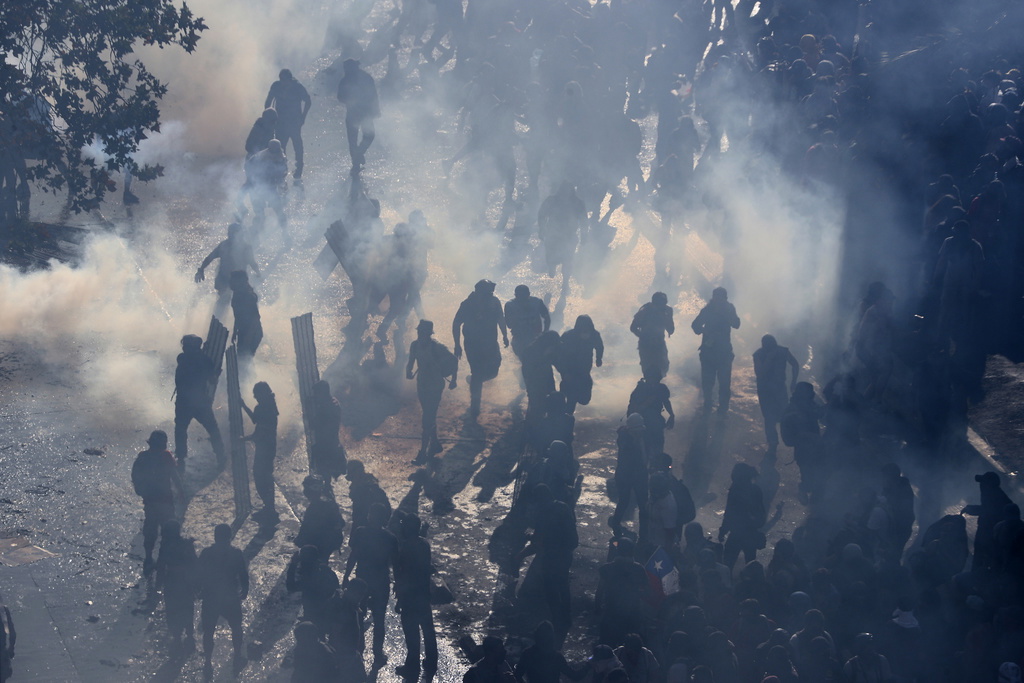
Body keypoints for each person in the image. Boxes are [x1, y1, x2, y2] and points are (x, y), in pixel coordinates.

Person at [518, 484, 578, 645]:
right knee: (563, 585)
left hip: (552, 556)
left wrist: (521, 554)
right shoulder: (564, 506)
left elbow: (538, 542)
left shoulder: (544, 514)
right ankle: (566, 618)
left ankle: (556, 622)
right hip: (567, 554)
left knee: (551, 589)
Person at [343, 503, 398, 668]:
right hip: (381, 582)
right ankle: (377, 653)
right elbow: (395, 564)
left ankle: (358, 649)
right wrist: (399, 585)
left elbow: (354, 555)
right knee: (379, 619)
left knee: (358, 615)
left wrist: (346, 575)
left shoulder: (361, 532)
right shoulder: (390, 538)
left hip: (363, 580)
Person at [198, 523, 249, 678]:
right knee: (236, 627)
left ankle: (207, 661)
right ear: (229, 536)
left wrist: (198, 590)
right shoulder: (236, 553)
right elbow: (243, 574)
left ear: (215, 536)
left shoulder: (206, 553)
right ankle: (237, 655)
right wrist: (245, 590)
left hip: (210, 596)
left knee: (208, 630)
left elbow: (198, 573)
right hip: (230, 596)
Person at [452, 279, 508, 417]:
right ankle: (475, 405)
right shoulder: (467, 304)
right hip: (473, 344)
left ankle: (474, 381)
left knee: (494, 370)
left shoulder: (495, 302)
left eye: (491, 292)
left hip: (490, 343)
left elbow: (501, 319)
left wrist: (505, 335)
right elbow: (456, 323)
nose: (490, 294)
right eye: (487, 292)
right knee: (477, 372)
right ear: (479, 292)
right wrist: (457, 345)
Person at [406, 320, 458, 464]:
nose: (420, 335)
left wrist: (454, 380)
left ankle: (423, 453)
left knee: (427, 419)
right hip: (422, 385)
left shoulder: (437, 347)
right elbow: (410, 362)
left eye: (423, 332)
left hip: (435, 386)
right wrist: (408, 371)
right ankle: (435, 444)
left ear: (429, 334)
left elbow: (454, 361)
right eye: (419, 332)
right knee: (429, 416)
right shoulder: (414, 345)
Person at [131, 430, 183, 574]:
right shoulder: (166, 457)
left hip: (150, 501)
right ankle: (163, 561)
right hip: (165, 501)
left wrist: (140, 490)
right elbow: (175, 476)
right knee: (168, 531)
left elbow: (135, 474)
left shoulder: (142, 457)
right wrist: (180, 492)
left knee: (150, 530)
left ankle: (148, 559)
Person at [394, 514, 438, 678]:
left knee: (411, 633)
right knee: (428, 630)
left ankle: (412, 666)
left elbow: (405, 575)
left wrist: (400, 598)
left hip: (411, 597)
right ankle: (431, 661)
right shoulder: (424, 544)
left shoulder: (406, 547)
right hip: (423, 594)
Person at [174, 334, 225, 470]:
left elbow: (191, 359)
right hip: (200, 402)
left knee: (180, 430)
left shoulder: (182, 358)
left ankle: (181, 459)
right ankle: (221, 457)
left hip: (183, 402)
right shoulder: (205, 361)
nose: (183, 348)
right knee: (213, 429)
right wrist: (216, 373)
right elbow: (212, 380)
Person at [691, 287, 740, 414]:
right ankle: (708, 404)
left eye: (720, 297)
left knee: (724, 383)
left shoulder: (729, 309)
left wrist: (728, 316)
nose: (718, 300)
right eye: (716, 297)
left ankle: (723, 407)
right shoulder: (708, 310)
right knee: (708, 382)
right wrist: (705, 331)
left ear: (725, 298)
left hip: (723, 352)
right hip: (709, 351)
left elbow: (737, 324)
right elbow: (695, 325)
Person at [155, 520, 197, 657]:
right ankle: (190, 633)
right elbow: (195, 564)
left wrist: (158, 585)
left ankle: (177, 636)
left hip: (171, 582)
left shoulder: (166, 546)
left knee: (172, 609)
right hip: (186, 582)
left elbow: (161, 567)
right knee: (188, 607)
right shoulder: (187, 545)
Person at [752, 334, 799, 454]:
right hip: (766, 390)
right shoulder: (759, 355)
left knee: (783, 414)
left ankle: (789, 438)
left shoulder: (782, 351)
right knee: (769, 416)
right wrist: (769, 359)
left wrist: (793, 381)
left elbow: (795, 364)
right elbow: (760, 374)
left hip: (778, 389)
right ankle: (773, 442)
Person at [780, 382, 825, 504]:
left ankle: (815, 495)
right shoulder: (794, 412)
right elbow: (795, 437)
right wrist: (813, 438)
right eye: (810, 393)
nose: (812, 395)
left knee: (819, 473)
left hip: (815, 448)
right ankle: (804, 490)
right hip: (804, 451)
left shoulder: (807, 405)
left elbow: (820, 414)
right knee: (808, 475)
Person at [264, 69, 311, 182]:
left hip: (294, 121)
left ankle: (299, 167)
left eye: (286, 80)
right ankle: (281, 169)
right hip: (280, 122)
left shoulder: (297, 87)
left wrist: (303, 117)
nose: (284, 83)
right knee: (281, 146)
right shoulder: (276, 86)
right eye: (282, 80)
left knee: (297, 144)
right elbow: (268, 102)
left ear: (290, 79)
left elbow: (308, 101)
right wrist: (268, 116)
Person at [719, 463, 767, 570]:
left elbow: (730, 512)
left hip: (737, 533)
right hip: (751, 533)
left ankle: (728, 583)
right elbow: (761, 512)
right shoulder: (756, 489)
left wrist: (723, 530)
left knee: (727, 564)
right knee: (750, 563)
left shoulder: (735, 489)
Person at [240, 381, 278, 519]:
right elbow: (256, 420)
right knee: (265, 475)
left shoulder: (265, 408)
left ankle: (269, 508)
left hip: (265, 447)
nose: (255, 397)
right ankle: (269, 507)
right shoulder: (269, 405)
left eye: (256, 394)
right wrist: (243, 405)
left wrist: (244, 439)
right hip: (269, 446)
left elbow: (260, 431)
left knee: (261, 476)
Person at [609, 413, 649, 541]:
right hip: (626, 474)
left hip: (640, 474)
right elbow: (628, 457)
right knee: (624, 500)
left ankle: (644, 531)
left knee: (643, 503)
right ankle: (616, 522)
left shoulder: (642, 436)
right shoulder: (624, 439)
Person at [336, 59, 381, 171]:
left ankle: (358, 156)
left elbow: (373, 95)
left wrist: (375, 109)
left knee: (365, 137)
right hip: (358, 113)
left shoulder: (361, 79)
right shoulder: (347, 80)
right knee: (357, 139)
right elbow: (340, 97)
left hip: (362, 113)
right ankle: (356, 161)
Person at [194, 223, 259, 298]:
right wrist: (201, 270)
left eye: (232, 233)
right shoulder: (224, 246)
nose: (230, 235)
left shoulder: (245, 247)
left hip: (238, 283)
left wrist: (258, 274)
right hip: (225, 281)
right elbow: (210, 258)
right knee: (224, 301)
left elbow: (252, 263)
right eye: (230, 233)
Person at [556, 314, 604, 414]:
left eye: (588, 331)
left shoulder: (594, 335)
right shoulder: (568, 337)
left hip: (584, 371)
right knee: (570, 399)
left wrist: (598, 359)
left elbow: (599, 346)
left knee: (584, 400)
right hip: (570, 371)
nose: (585, 333)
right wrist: (564, 373)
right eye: (583, 331)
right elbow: (559, 357)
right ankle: (565, 418)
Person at [294, 475, 346, 563]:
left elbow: (309, 527)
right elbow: (341, 522)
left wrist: (300, 539)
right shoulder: (329, 502)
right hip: (329, 542)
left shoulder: (316, 507)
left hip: (321, 542)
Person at [286, 545, 339, 629]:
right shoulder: (326, 570)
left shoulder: (310, 576)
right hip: (328, 613)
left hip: (314, 616)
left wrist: (293, 565)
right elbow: (336, 587)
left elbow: (291, 587)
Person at [246, 138, 289, 240]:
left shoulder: (280, 156)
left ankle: (285, 232)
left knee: (278, 211)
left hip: (271, 189)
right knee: (260, 214)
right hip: (259, 188)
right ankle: (256, 235)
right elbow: (248, 167)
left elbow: (283, 172)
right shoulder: (260, 157)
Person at [627, 376, 675, 458]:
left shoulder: (643, 388)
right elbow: (632, 406)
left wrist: (671, 415)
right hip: (644, 422)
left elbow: (666, 402)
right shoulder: (643, 389)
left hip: (649, 421)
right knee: (654, 443)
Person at [630, 292, 675, 381]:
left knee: (663, 366)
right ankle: (649, 387)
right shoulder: (645, 311)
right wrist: (643, 337)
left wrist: (667, 317)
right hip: (646, 345)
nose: (661, 306)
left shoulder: (666, 311)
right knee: (648, 368)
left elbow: (671, 330)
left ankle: (657, 385)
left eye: (663, 303)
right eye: (659, 303)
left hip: (659, 343)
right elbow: (633, 327)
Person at [310, 380, 346, 480]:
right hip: (330, 442)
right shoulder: (332, 402)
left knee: (324, 471)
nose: (316, 396)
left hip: (327, 444)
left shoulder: (328, 407)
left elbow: (316, 424)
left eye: (317, 393)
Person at [503, 285, 551, 361]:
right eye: (520, 297)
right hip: (520, 339)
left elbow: (546, 317)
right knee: (525, 361)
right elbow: (509, 324)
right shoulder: (510, 305)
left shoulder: (537, 302)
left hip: (535, 338)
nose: (522, 299)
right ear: (515, 296)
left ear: (529, 294)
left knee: (537, 360)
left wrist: (545, 332)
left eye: (524, 296)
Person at [229, 271, 263, 367]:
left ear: (242, 281)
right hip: (244, 331)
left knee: (245, 358)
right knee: (242, 357)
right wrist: (235, 331)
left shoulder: (247, 296)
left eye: (234, 280)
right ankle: (245, 377)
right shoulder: (237, 294)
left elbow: (256, 318)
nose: (231, 282)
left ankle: (246, 377)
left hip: (253, 332)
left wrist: (249, 337)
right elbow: (238, 316)